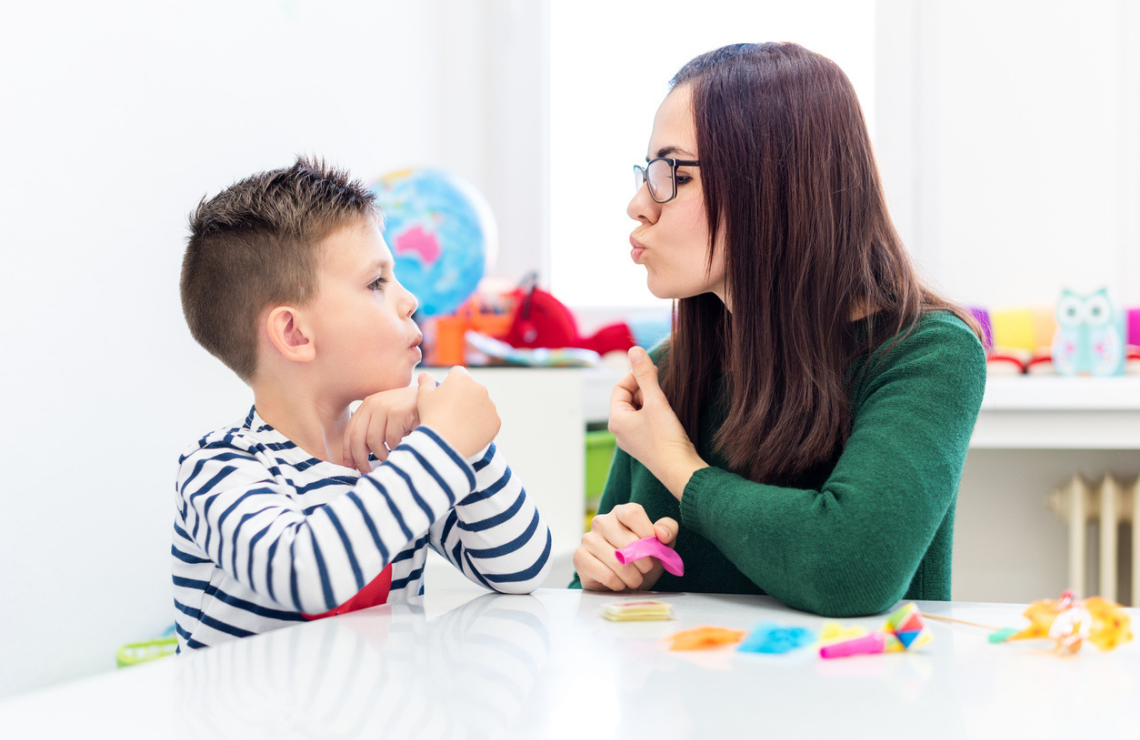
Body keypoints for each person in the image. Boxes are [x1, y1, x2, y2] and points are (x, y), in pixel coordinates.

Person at [570, 43, 987, 617]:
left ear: (771, 184)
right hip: (692, 699)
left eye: (672, 174)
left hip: (871, 703)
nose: (639, 204)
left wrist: (677, 464)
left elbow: (851, 569)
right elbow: (590, 603)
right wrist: (604, 574)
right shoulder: (667, 370)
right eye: (647, 173)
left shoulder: (926, 353)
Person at [174, 158, 551, 650]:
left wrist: (467, 449)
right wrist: (443, 444)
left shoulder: (395, 456)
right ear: (294, 333)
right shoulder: (219, 469)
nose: (411, 299)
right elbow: (303, 573)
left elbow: (520, 568)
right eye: (377, 283)